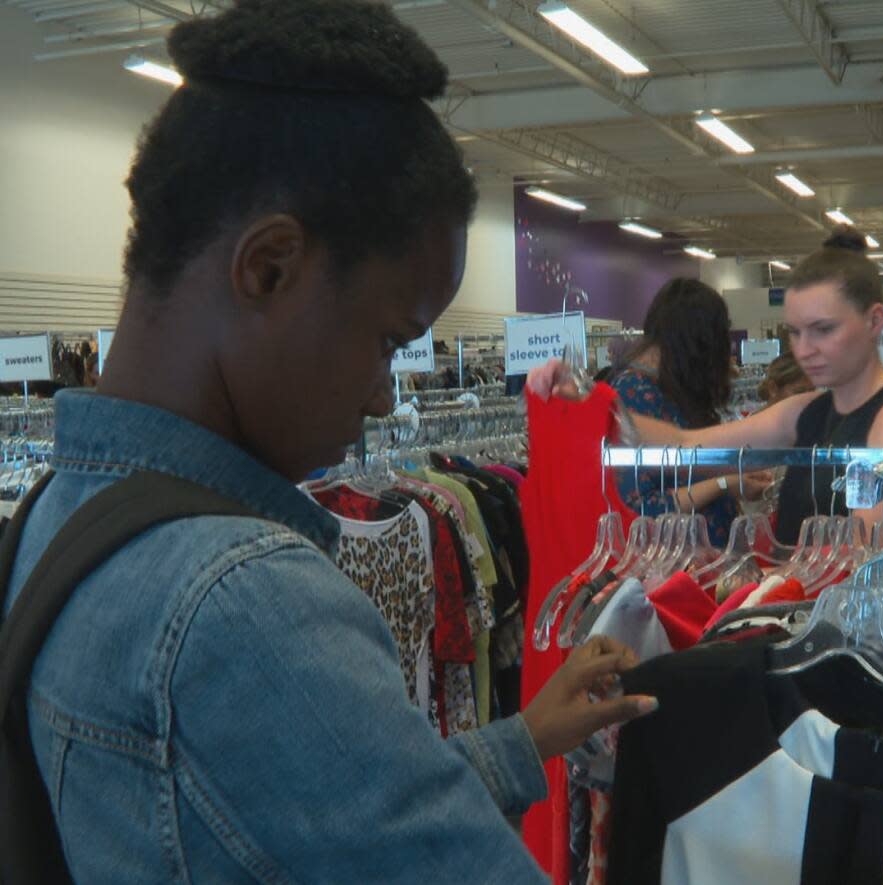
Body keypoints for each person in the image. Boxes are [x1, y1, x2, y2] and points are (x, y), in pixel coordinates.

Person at [2, 2, 653, 880]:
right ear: (267, 268)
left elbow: (269, 813)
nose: (386, 396)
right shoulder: (242, 599)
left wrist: (523, 739)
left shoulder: (53, 518)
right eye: (387, 339)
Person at [530, 227, 883, 545]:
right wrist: (591, 403)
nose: (805, 349)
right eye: (795, 332)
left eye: (823, 330)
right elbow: (684, 444)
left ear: (874, 321)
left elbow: (871, 552)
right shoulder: (808, 410)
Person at [611, 278, 772, 546]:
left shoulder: (673, 388)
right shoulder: (631, 396)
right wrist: (724, 484)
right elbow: (639, 509)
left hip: (709, 564)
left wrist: (738, 479)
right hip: (674, 570)